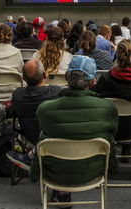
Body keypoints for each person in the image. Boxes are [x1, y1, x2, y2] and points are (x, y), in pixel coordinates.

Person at [8, 56, 118, 207]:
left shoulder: (46, 109)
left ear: (66, 76)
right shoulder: (108, 108)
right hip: (94, 169)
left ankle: (33, 159)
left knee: (47, 136)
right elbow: (112, 136)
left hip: (56, 169)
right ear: (93, 81)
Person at [6, 59, 64, 146]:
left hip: (30, 137)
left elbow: (11, 112)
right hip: (53, 138)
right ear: (44, 75)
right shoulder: (57, 92)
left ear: (24, 79)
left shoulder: (17, 96)